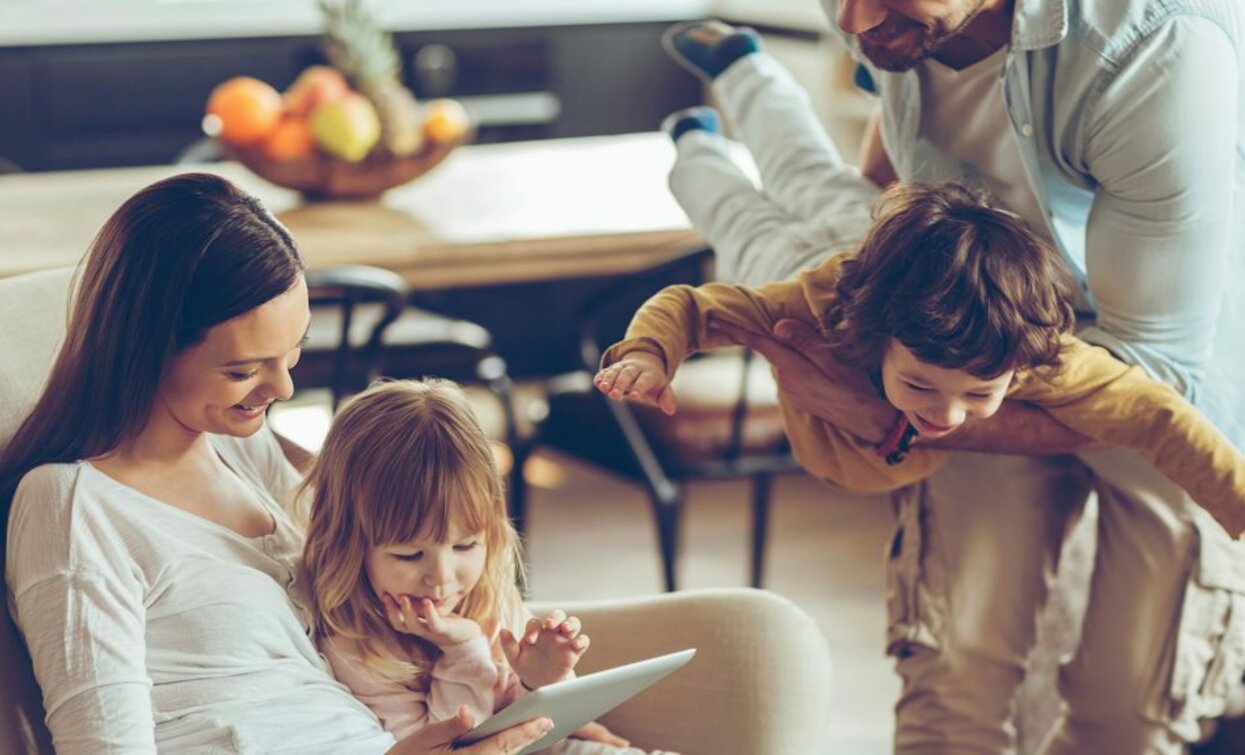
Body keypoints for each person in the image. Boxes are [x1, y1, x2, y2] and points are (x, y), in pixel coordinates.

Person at [660, 9, 1245, 754]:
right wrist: (872, 243)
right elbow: (898, 118)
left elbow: (1154, 375)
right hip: (956, 336)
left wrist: (884, 419)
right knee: (952, 679)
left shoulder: (1157, 42)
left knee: (1127, 712)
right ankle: (720, 103)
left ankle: (712, 118)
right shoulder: (883, 17)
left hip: (1162, 372)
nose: (851, 17)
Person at [0, 173, 554, 754]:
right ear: (147, 348)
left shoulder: (245, 449)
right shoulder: (71, 506)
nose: (283, 388)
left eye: (293, 354)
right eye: (243, 370)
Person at [595, 181, 1245, 534]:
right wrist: (650, 353)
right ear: (879, 336)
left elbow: (1160, 416)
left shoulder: (1039, 355)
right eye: (921, 385)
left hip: (867, 260)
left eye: (976, 393)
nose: (948, 415)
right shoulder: (821, 303)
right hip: (801, 292)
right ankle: (700, 136)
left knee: (822, 191)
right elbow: (690, 303)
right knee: (748, 212)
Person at [298, 378, 666, 755]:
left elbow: (529, 720)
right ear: (348, 543)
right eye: (408, 554)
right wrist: (462, 648)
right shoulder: (358, 648)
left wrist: (542, 680)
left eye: (465, 545)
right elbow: (448, 743)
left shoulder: (489, 595)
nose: (441, 577)